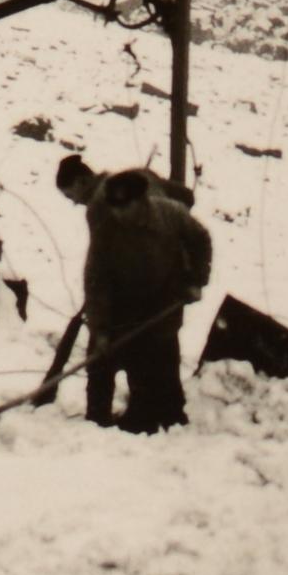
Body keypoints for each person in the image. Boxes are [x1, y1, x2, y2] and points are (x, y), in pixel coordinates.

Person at [79, 166, 213, 431]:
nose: (118, 213)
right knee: (100, 360)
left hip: (164, 296)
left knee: (160, 355)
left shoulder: (170, 214)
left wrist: (197, 280)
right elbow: (96, 282)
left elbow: (201, 240)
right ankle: (96, 420)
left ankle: (165, 415)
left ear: (141, 201)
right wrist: (101, 329)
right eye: (114, 207)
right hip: (121, 301)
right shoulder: (107, 229)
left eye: (124, 207)